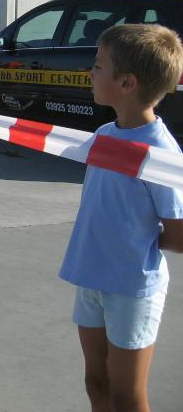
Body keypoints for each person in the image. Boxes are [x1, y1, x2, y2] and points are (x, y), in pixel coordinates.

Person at [58, 23, 183, 412]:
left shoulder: (161, 153)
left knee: (127, 396)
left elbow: (179, 235)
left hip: (131, 288)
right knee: (97, 381)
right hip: (91, 277)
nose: (90, 73)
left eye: (98, 66)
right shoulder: (103, 134)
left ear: (127, 83)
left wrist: (130, 243)